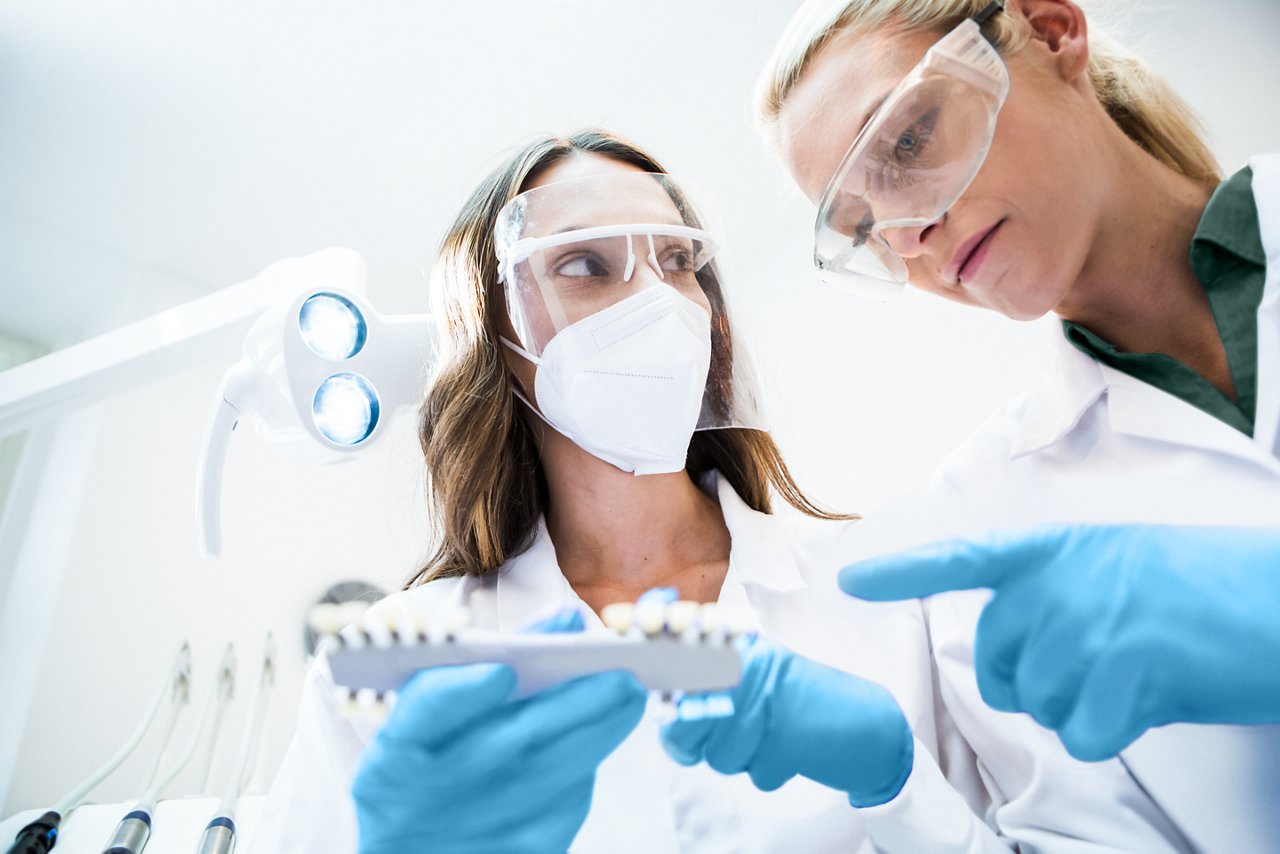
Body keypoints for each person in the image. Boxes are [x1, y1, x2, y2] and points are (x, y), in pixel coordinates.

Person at [245, 130, 1190, 853]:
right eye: (588, 263)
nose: (654, 300)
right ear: (489, 330)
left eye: (677, 261)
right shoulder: (384, 664)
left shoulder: (889, 591)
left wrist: (903, 792)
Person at [750, 0, 1280, 848]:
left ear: (1048, 30)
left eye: (908, 141)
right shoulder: (989, 505)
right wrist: (893, 787)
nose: (910, 232)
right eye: (863, 228)